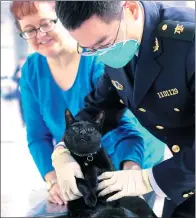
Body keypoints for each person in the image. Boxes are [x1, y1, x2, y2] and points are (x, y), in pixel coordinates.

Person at [10, 0, 168, 209]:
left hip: (129, 159)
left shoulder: (100, 55)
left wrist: (131, 172)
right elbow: (38, 135)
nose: (40, 35)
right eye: (29, 30)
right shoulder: (32, 70)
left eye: (46, 24)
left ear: (67, 19)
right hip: (82, 166)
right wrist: (55, 177)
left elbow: (125, 129)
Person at [54, 1, 195, 218]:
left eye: (104, 44)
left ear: (130, 9)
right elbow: (99, 108)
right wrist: (63, 150)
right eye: (89, 49)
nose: (101, 55)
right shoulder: (120, 43)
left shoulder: (188, 41)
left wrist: (149, 179)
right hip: (182, 175)